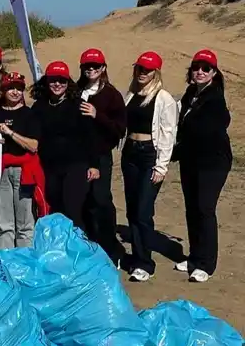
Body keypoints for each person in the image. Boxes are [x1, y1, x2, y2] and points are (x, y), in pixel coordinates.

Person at [174, 49, 231, 283]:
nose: (200, 71)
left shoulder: (215, 97)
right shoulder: (191, 93)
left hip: (212, 162)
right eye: (196, 67)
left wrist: (178, 148)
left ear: (213, 73)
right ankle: (195, 256)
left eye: (205, 68)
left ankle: (206, 264)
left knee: (205, 209)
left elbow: (211, 128)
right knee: (191, 209)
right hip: (191, 160)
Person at [121, 51, 177, 282]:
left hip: (149, 156)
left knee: (143, 211)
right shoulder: (131, 95)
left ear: (156, 72)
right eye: (140, 68)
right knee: (132, 210)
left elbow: (168, 132)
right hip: (130, 154)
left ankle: (146, 263)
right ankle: (137, 257)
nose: (142, 73)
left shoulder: (164, 98)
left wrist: (161, 166)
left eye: (147, 69)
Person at [31, 61, 99, 231]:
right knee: (55, 208)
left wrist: (94, 165)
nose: (57, 84)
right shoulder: (39, 106)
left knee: (73, 210)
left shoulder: (78, 104)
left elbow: (90, 136)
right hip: (49, 167)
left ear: (68, 83)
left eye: (62, 80)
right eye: (53, 80)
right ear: (46, 81)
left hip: (75, 165)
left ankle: (78, 250)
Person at [76, 48, 127, 266]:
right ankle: (89, 249)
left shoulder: (111, 95)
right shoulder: (76, 90)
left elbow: (119, 129)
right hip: (78, 157)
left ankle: (111, 250)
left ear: (103, 68)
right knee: (83, 202)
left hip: (101, 156)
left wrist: (98, 116)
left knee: (101, 201)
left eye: (95, 66)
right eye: (87, 66)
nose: (91, 70)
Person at [0, 72, 44, 249]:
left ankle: (24, 262)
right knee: (4, 223)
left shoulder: (30, 114)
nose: (15, 92)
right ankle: (5, 261)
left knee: (25, 222)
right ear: (3, 91)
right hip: (1, 170)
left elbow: (33, 145)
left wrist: (10, 133)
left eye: (19, 88)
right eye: (11, 88)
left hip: (24, 171)